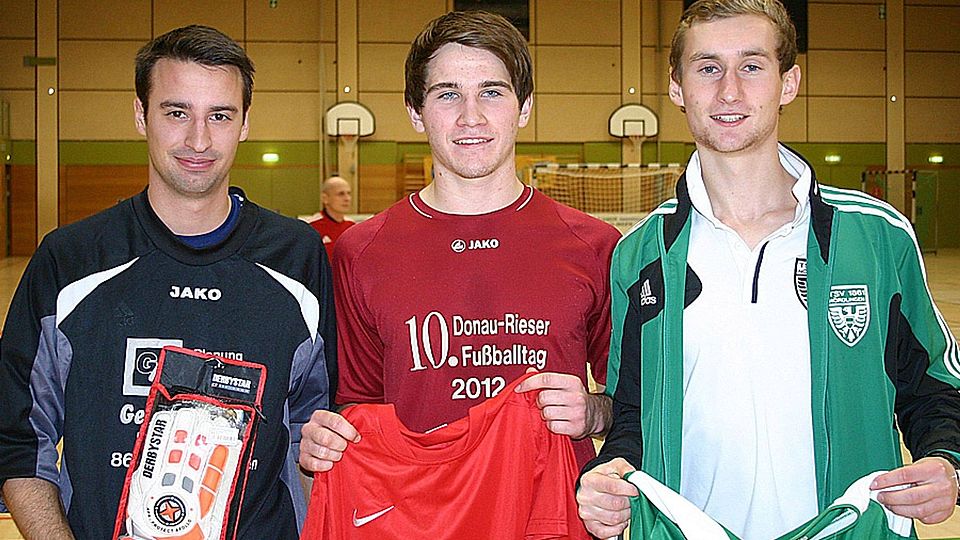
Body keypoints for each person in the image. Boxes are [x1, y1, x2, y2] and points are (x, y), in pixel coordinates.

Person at [576, 0, 960, 538]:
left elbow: (933, 385)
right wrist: (608, 476)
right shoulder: (641, 254)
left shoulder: (876, 236)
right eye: (708, 68)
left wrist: (946, 461)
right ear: (677, 88)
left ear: (789, 83)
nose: (729, 91)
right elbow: (631, 415)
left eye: (752, 66)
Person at [0, 25, 336, 539]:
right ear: (141, 115)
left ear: (245, 123)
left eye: (219, 115)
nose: (198, 140)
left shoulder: (297, 259)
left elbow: (317, 433)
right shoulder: (70, 261)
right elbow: (20, 439)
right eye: (177, 113)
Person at [298, 10, 622, 475]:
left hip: (551, 506)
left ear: (524, 107)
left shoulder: (594, 245)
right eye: (448, 94)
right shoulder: (363, 251)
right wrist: (326, 440)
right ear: (416, 112)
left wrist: (593, 413)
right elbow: (356, 408)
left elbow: (633, 406)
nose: (471, 117)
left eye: (492, 92)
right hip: (416, 505)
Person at [308, 175, 355, 260]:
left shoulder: (352, 226)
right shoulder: (311, 227)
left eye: (349, 193)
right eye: (341, 194)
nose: (347, 198)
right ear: (325, 198)